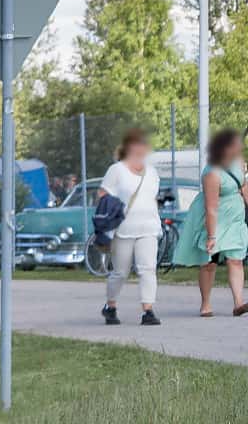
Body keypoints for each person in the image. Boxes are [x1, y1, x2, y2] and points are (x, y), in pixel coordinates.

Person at [170, 128, 248, 317]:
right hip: (214, 219)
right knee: (209, 263)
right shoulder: (212, 172)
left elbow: (244, 187)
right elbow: (211, 207)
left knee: (236, 260)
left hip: (235, 219)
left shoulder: (239, 163)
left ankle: (238, 303)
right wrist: (212, 235)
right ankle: (206, 304)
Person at [98, 129, 162, 326]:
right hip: (123, 228)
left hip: (149, 226)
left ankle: (148, 311)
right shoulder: (116, 170)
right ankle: (111, 306)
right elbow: (103, 195)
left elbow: (152, 197)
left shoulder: (152, 172)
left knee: (148, 269)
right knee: (120, 272)